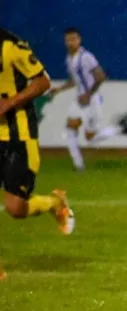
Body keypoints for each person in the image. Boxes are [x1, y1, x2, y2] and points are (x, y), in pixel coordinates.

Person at [0, 28, 75, 280]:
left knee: (16, 208)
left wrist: (9, 103)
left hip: (18, 135)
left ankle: (55, 203)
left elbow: (42, 81)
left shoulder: (11, 46)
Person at [47, 28, 127, 172]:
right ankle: (78, 165)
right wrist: (59, 89)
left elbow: (100, 76)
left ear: (79, 40)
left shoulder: (86, 57)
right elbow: (74, 80)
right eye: (68, 39)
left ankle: (119, 129)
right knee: (70, 129)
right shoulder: (69, 58)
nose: (71, 42)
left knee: (90, 138)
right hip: (80, 100)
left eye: (73, 39)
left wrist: (88, 94)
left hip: (92, 100)